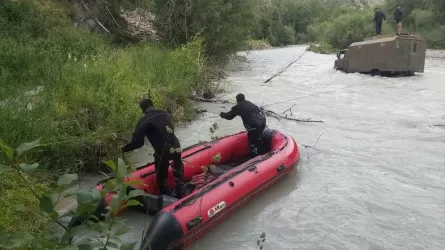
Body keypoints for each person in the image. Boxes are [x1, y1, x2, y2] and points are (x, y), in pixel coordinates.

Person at [122, 98, 185, 198]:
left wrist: (124, 148)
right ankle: (182, 192)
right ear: (153, 105)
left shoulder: (144, 121)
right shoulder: (165, 114)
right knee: (178, 171)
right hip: (176, 147)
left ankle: (167, 197)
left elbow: (138, 143)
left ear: (142, 109)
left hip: (162, 152)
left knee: (161, 178)